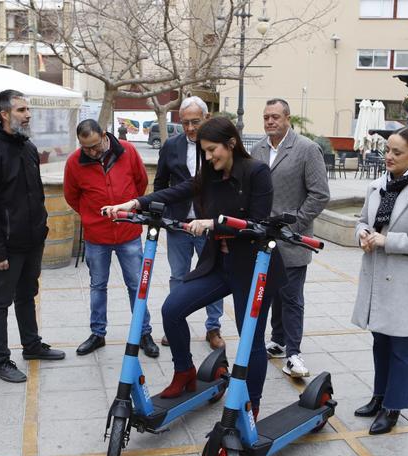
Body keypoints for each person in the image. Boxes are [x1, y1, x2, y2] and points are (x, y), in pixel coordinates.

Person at [102, 117, 285, 416]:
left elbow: (259, 224)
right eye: (205, 151)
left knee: (249, 338)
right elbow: (177, 190)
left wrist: (214, 224)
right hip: (219, 264)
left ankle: (251, 404)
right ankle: (185, 371)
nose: (210, 157)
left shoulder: (257, 172)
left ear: (232, 144)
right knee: (172, 309)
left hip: (253, 270)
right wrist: (134, 204)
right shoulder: (210, 175)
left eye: (214, 150)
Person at [351, 126, 408, 435]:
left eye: (396, 152)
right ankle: (379, 397)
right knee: (380, 342)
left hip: (404, 284)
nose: (388, 157)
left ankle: (395, 407)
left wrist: (386, 241)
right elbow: (364, 220)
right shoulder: (377, 185)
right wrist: (363, 234)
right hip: (377, 278)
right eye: (386, 150)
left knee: (401, 348)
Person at [0, 89, 65, 383]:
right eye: (22, 110)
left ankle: (32, 345)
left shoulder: (28, 148)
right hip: (7, 246)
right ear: (5, 114)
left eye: (28, 109)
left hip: (32, 239)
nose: (28, 114)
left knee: (28, 295)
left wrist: (42, 229)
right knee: (0, 301)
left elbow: (34, 195)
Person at [63, 119, 160, 358]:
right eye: (86, 148)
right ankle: (98, 333)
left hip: (128, 232)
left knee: (136, 284)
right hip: (97, 235)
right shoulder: (75, 162)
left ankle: (143, 332)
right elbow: (71, 196)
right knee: (97, 285)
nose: (92, 152)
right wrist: (90, 214)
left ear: (104, 135)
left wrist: (129, 209)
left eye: (95, 146)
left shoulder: (129, 151)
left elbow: (141, 182)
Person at [250, 98, 329, 378]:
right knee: (269, 293)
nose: (270, 121)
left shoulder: (307, 149)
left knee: (292, 297)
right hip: (263, 239)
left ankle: (294, 354)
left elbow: (320, 194)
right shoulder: (257, 149)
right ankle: (278, 341)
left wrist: (295, 223)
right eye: (266, 117)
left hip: (293, 238)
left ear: (287, 118)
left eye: (275, 117)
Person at [153, 96, 225, 350]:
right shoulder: (171, 146)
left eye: (195, 121)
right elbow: (160, 183)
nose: (191, 128)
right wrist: (161, 216)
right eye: (185, 123)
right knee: (177, 276)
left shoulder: (217, 146)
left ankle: (213, 328)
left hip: (209, 224)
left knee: (214, 275)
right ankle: (175, 324)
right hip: (179, 225)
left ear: (206, 118)